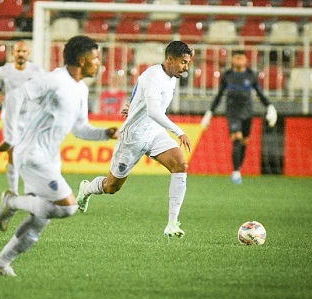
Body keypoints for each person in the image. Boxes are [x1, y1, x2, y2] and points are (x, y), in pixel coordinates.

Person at [0, 35, 118, 277]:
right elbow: (15, 97)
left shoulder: (81, 89)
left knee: (39, 220)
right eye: (95, 58)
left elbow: (80, 129)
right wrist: (10, 138)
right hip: (31, 153)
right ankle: (11, 202)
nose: (99, 63)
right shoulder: (54, 79)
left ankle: (0, 264)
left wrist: (105, 134)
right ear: (82, 60)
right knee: (68, 207)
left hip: (49, 158)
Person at [76, 40, 193, 239]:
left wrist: (133, 107)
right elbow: (154, 111)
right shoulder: (152, 76)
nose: (186, 67)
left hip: (154, 132)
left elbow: (143, 97)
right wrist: (179, 131)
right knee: (111, 187)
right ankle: (86, 189)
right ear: (170, 59)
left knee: (180, 165)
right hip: (133, 137)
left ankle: (172, 224)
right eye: (183, 62)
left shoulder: (171, 77)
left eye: (187, 63)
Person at [200, 50, 277, 184]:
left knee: (244, 142)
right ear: (232, 60)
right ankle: (235, 172)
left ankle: (238, 168)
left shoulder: (251, 75)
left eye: (241, 58)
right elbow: (219, 95)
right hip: (233, 112)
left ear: (246, 60)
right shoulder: (227, 75)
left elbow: (260, 93)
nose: (239, 61)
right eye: (236, 58)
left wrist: (270, 107)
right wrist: (210, 113)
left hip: (247, 112)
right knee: (237, 138)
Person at [0, 40, 43, 195]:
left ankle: (32, 190)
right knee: (13, 152)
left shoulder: (37, 71)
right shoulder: (3, 71)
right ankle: (13, 192)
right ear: (13, 53)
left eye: (24, 52)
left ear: (28, 53)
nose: (21, 54)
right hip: (11, 117)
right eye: (18, 51)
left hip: (31, 117)